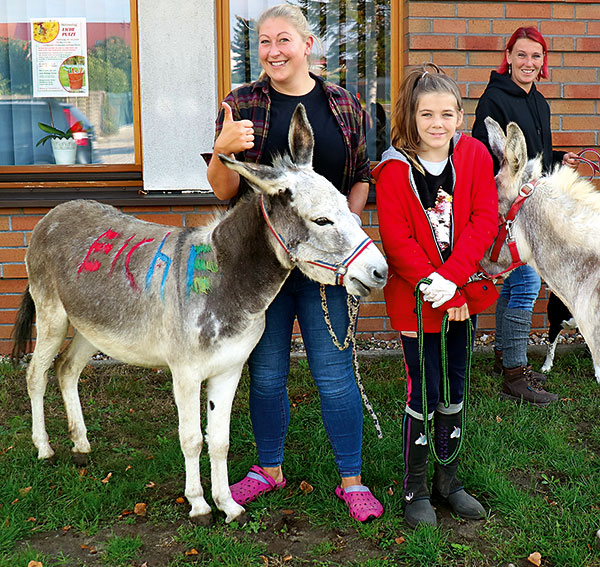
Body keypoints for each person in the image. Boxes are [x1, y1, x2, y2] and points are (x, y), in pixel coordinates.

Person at [206, 3, 383, 523]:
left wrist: (340, 240)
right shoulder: (240, 104)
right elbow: (223, 193)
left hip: (327, 264)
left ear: (308, 45)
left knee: (333, 373)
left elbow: (359, 177)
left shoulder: (342, 106)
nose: (273, 51)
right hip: (261, 268)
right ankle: (269, 469)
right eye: (264, 42)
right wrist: (221, 149)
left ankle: (351, 479)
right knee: (265, 374)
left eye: (283, 40)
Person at [373, 64, 499, 527]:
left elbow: (483, 220)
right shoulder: (392, 170)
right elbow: (398, 240)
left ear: (461, 117)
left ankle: (450, 480)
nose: (437, 124)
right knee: (422, 390)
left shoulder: (474, 156)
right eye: (427, 114)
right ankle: (416, 486)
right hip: (417, 302)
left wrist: (454, 279)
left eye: (447, 113)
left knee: (456, 384)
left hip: (461, 293)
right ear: (412, 116)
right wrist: (438, 288)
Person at [472, 26, 579, 405]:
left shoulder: (540, 103)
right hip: (508, 212)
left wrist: (557, 158)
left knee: (520, 283)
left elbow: (531, 158)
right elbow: (486, 160)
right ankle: (515, 375)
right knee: (527, 284)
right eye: (521, 55)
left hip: (535, 209)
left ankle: (504, 355)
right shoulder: (494, 100)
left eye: (536, 56)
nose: (528, 63)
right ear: (509, 56)